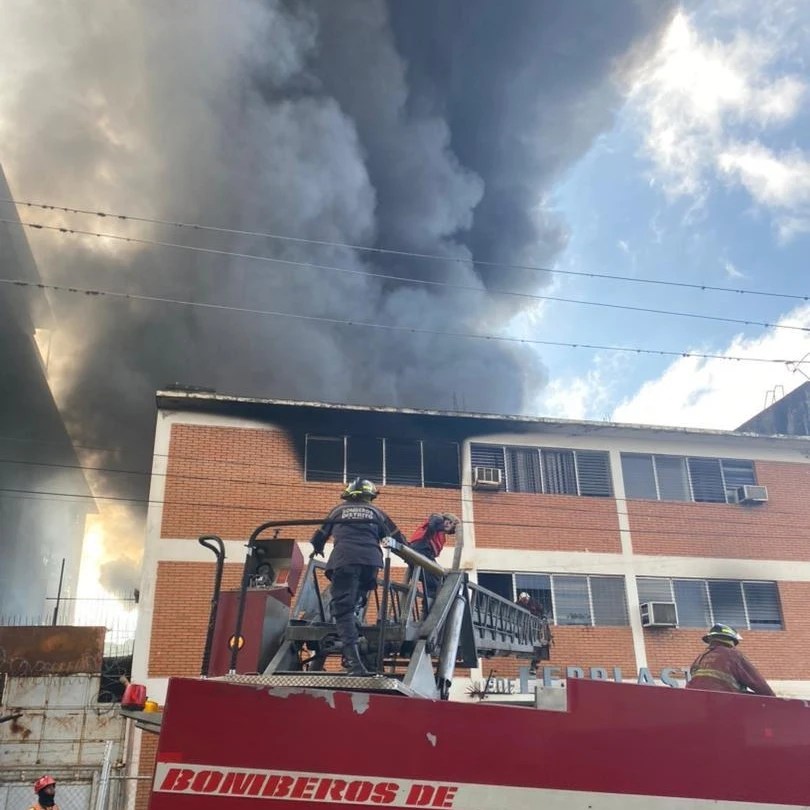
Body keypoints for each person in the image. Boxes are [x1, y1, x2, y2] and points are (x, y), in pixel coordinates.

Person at [310, 477, 406, 676]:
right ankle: (355, 614)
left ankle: (354, 664)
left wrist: (317, 549)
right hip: (371, 564)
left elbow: (318, 537)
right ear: (370, 497)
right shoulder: (376, 513)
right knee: (356, 599)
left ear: (348, 495)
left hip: (344, 562)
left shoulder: (337, 511)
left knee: (342, 611)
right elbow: (396, 537)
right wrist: (412, 557)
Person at [686, 624, 775, 696]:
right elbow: (758, 683)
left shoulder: (700, 657)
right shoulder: (733, 655)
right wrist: (774, 700)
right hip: (724, 703)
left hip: (696, 703)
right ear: (731, 640)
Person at [407, 512, 460, 597]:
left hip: (426, 555)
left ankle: (430, 603)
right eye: (448, 521)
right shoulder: (437, 520)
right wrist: (440, 524)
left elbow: (434, 553)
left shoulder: (442, 538)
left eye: (451, 524)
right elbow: (433, 523)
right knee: (435, 581)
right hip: (420, 549)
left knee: (437, 579)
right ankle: (429, 606)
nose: (447, 524)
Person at [516, 591, 544, 675]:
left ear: (528, 598)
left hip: (535, 625)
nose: (524, 601)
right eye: (523, 600)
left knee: (539, 644)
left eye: (525, 599)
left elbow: (541, 610)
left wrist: (543, 617)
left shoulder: (534, 603)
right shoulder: (518, 604)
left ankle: (534, 664)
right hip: (525, 625)